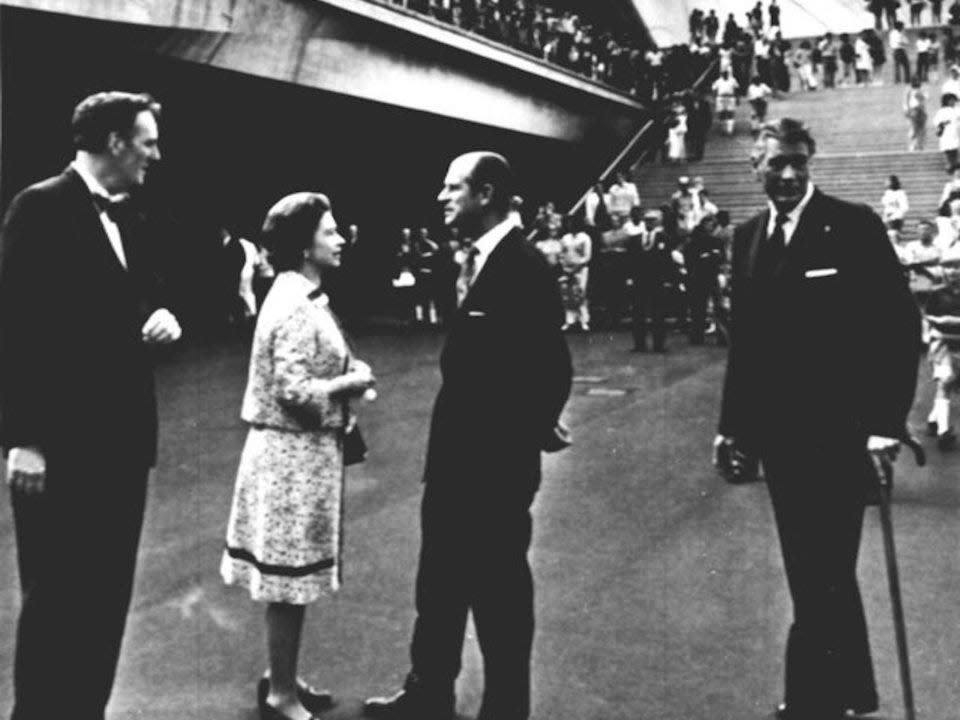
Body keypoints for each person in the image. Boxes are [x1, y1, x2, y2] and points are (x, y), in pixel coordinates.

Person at [715, 118, 921, 720]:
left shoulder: (852, 226)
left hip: (842, 437)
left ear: (810, 164)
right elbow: (745, 346)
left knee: (820, 570)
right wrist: (731, 426)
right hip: (781, 442)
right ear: (755, 168)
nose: (787, 174)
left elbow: (898, 327)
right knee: (816, 569)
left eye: (798, 162)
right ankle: (853, 692)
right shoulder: (748, 237)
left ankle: (811, 702)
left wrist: (885, 423)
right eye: (775, 163)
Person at [363, 152, 572, 720]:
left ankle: (506, 708)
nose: (441, 196)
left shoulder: (523, 266)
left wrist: (525, 436)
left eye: (452, 187)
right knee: (439, 587)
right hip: (455, 462)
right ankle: (428, 692)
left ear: (485, 194)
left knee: (499, 596)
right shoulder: (482, 261)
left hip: (491, 471)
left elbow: (552, 368)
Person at [0, 91, 182, 719]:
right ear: (114, 142)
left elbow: (128, 295)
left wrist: (155, 314)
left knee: (105, 602)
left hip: (121, 446)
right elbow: (15, 327)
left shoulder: (129, 215)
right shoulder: (39, 207)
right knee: (55, 605)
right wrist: (24, 438)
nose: (156, 154)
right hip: (62, 450)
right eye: (148, 140)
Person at [221, 192, 375, 720]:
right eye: (330, 231)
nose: (340, 239)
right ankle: (281, 694)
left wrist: (342, 378)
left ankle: (281, 676)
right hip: (290, 458)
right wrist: (351, 381)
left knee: (291, 583)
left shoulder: (299, 293)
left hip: (299, 456)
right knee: (288, 583)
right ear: (305, 245)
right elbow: (292, 389)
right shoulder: (292, 302)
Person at [559, 214, 592, 331]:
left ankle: (583, 321)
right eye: (569, 223)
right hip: (567, 269)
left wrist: (576, 267)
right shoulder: (565, 238)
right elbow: (561, 254)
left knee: (580, 293)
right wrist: (565, 267)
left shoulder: (585, 238)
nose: (571, 225)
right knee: (567, 295)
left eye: (573, 223)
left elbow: (587, 256)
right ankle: (569, 321)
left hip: (581, 269)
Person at [934, 92, 960, 172]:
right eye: (952, 100)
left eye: (954, 101)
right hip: (947, 135)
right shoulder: (942, 111)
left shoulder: (954, 110)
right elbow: (937, 122)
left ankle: (953, 166)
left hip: (953, 135)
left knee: (954, 151)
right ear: (947, 101)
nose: (953, 103)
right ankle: (950, 166)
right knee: (949, 152)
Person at [712, 68, 739, 135]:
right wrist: (714, 99)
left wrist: (737, 98)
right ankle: (723, 130)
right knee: (722, 114)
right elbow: (714, 90)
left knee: (730, 113)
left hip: (730, 97)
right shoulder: (718, 81)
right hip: (721, 98)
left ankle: (730, 130)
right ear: (721, 74)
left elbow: (736, 89)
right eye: (723, 74)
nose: (725, 75)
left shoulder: (733, 80)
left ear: (728, 74)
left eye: (726, 73)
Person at [904, 76, 928, 151]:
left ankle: (921, 145)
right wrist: (906, 110)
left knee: (922, 129)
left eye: (917, 80)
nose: (915, 82)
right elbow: (905, 101)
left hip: (921, 110)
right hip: (913, 111)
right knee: (913, 129)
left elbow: (926, 97)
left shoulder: (923, 89)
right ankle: (912, 145)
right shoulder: (908, 90)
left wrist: (920, 95)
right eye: (914, 81)